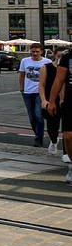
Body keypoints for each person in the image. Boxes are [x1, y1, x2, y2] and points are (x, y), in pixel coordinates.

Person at [18, 44, 51, 147]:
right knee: (32, 117)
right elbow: (22, 75)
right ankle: (37, 134)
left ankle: (38, 139)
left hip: (40, 93)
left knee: (38, 115)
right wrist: (22, 89)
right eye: (33, 51)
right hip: (27, 92)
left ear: (41, 51)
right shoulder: (25, 61)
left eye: (37, 51)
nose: (35, 53)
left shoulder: (47, 62)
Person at [49, 44, 72, 179]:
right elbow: (59, 80)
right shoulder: (67, 57)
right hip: (70, 100)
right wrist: (52, 101)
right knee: (68, 136)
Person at [39, 47, 65, 155]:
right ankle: (54, 140)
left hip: (65, 101)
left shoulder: (67, 68)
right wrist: (44, 100)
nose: (60, 58)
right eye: (59, 56)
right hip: (51, 99)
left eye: (63, 57)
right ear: (54, 55)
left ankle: (66, 151)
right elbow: (41, 85)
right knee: (52, 125)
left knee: (67, 128)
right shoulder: (46, 67)